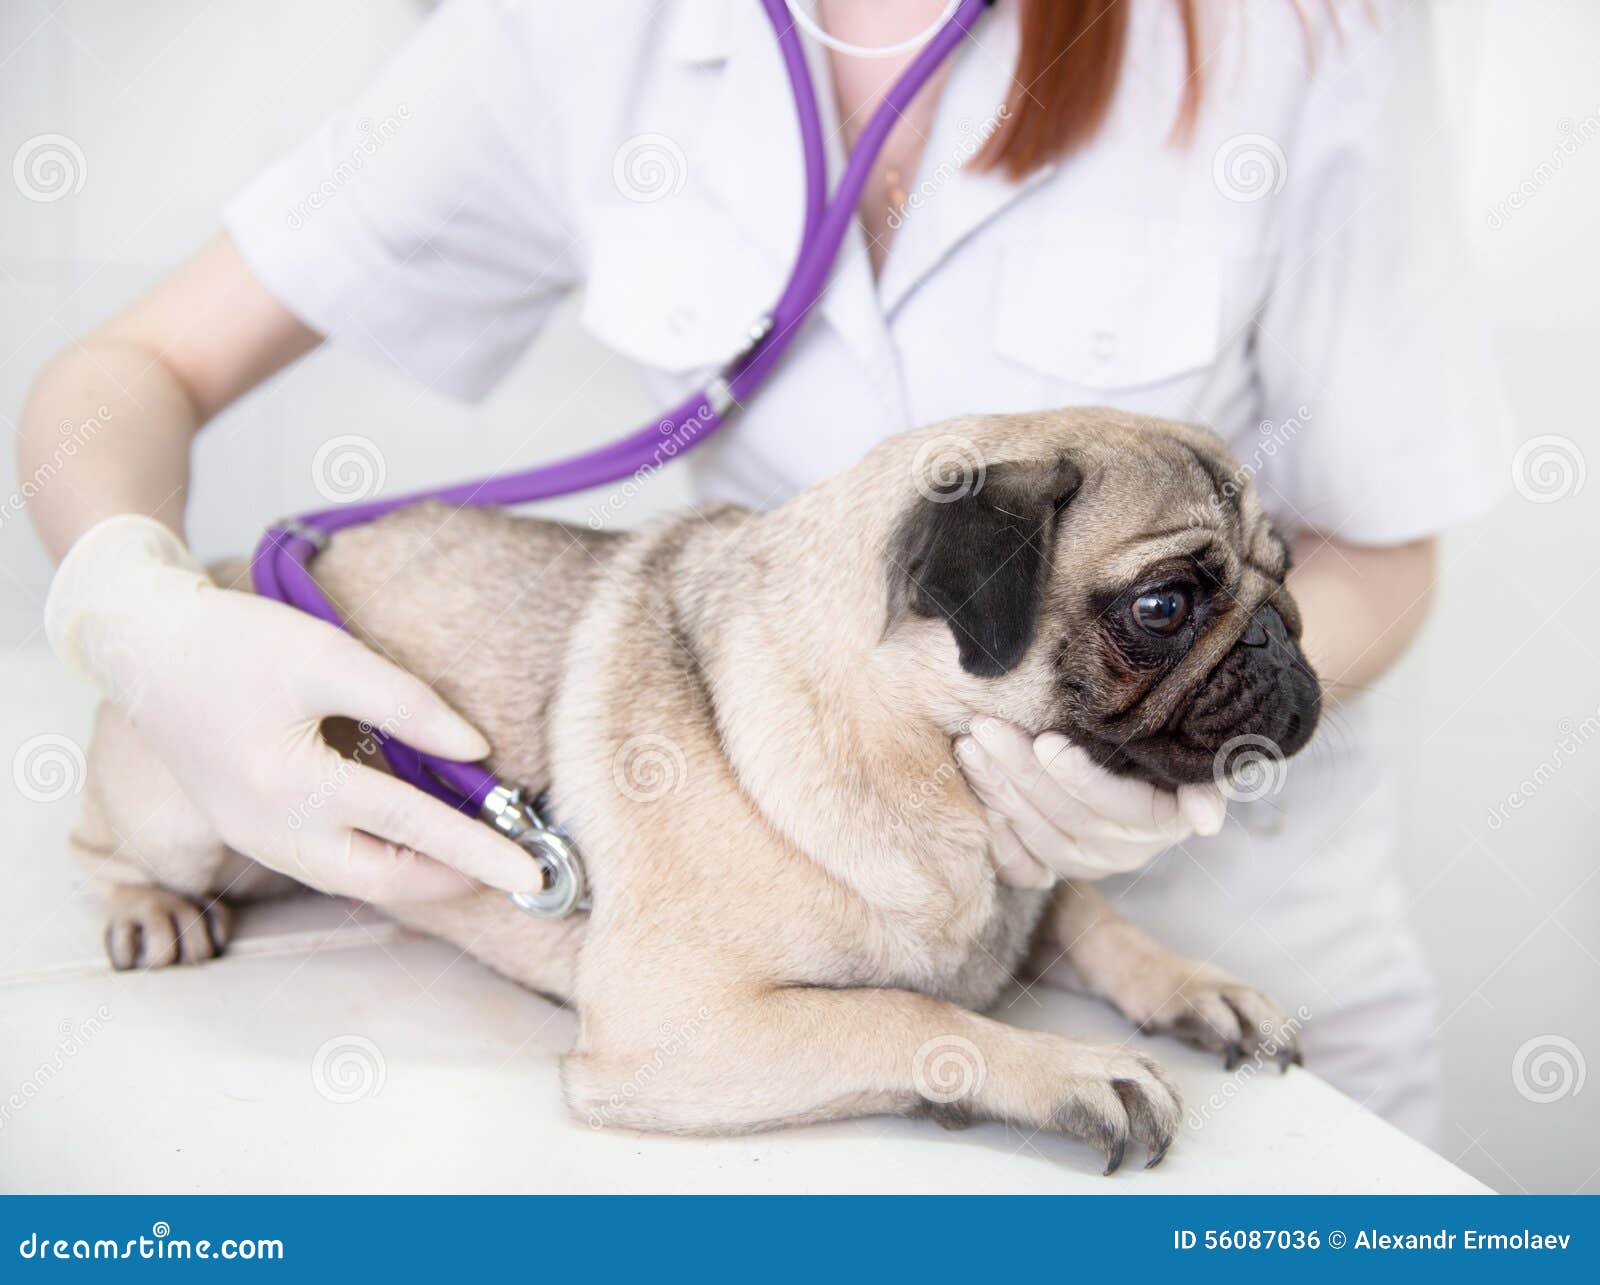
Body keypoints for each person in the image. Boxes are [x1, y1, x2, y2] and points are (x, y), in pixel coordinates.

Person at [20, 0, 1507, 1142]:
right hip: (789, 864)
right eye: (1174, 598)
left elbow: (1382, 548)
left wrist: (1168, 766)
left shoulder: (1301, 29)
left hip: (1266, 958)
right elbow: (133, 363)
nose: (1249, 622)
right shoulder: (587, 31)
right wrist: (136, 612)